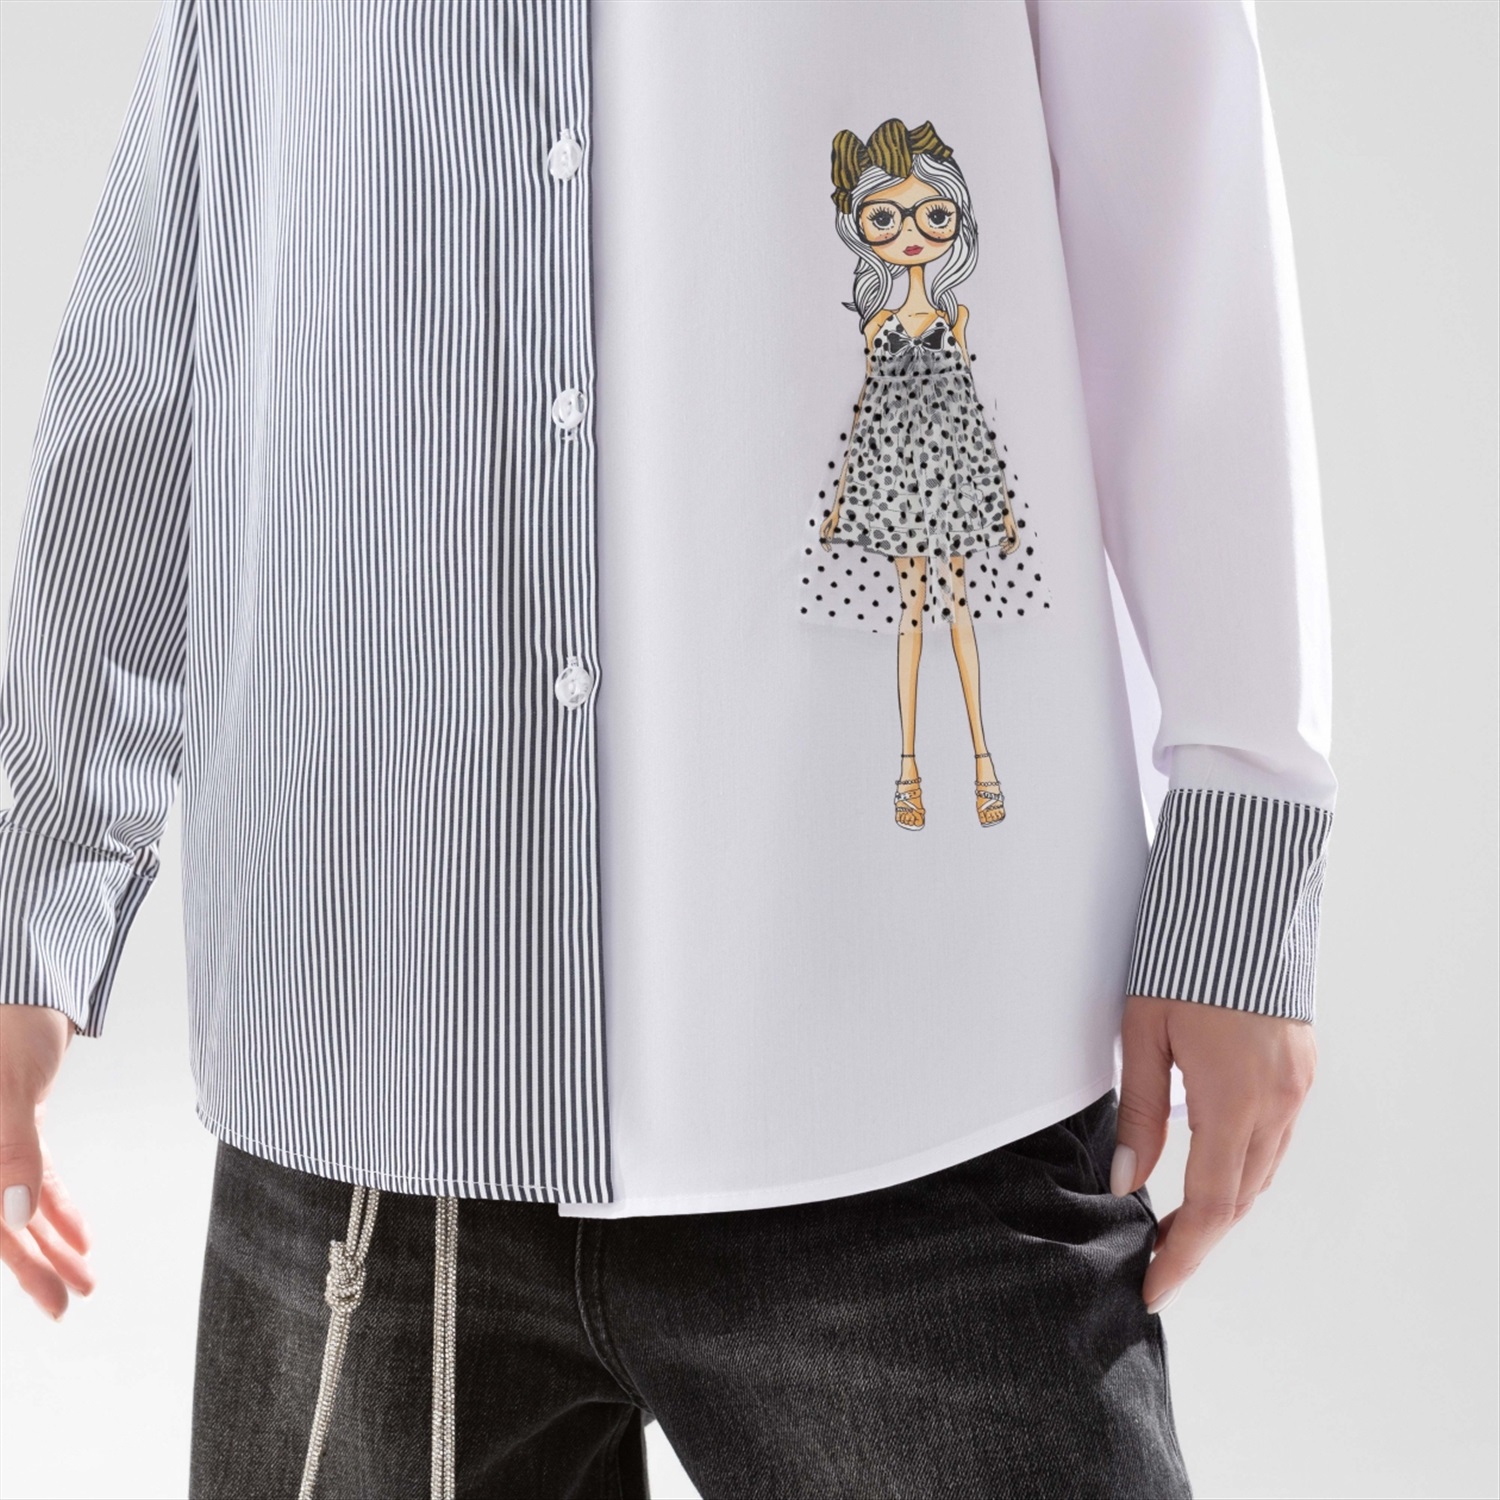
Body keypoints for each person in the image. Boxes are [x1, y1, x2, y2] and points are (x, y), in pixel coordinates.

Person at [0, 2, 1334, 1496]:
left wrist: (1243, 854)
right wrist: (31, 897)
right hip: (374, 1076)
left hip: (907, 1081)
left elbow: (1183, 220)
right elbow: (171, 295)